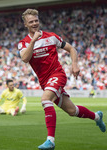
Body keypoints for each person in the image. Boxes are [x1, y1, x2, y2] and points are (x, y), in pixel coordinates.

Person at [18, 9, 106, 150]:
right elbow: (24, 58)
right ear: (25, 24)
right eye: (31, 22)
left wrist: (75, 64)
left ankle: (50, 141)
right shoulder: (23, 44)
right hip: (45, 81)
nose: (35, 23)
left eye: (36, 20)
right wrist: (33, 40)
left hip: (57, 75)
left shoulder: (52, 37)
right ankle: (97, 117)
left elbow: (71, 49)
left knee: (46, 99)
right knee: (72, 111)